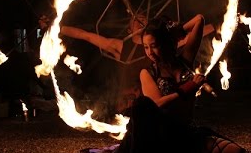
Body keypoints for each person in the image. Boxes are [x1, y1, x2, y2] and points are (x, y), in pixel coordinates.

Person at [54, 14, 246, 153]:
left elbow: (199, 20)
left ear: (165, 43)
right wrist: (187, 89)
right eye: (146, 47)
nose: (150, 52)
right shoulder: (148, 73)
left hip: (186, 132)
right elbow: (157, 104)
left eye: (154, 45)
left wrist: (175, 32)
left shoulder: (185, 60)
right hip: (162, 138)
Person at [59, 14, 215, 115]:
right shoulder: (122, 47)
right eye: (135, 18)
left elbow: (201, 23)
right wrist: (56, 27)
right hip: (135, 109)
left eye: (143, 17)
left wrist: (172, 32)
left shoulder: (170, 52)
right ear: (129, 29)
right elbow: (85, 36)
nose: (140, 20)